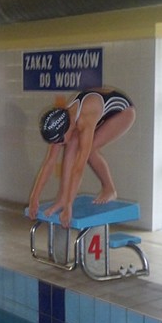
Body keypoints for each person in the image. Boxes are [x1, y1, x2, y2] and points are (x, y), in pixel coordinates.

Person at [28, 87, 135, 228]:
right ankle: (62, 197)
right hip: (98, 109)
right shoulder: (62, 122)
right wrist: (34, 197)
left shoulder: (84, 119)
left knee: (89, 150)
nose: (58, 144)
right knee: (71, 144)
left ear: (66, 128)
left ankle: (109, 189)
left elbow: (78, 168)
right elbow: (49, 163)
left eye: (60, 140)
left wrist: (69, 206)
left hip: (123, 112)